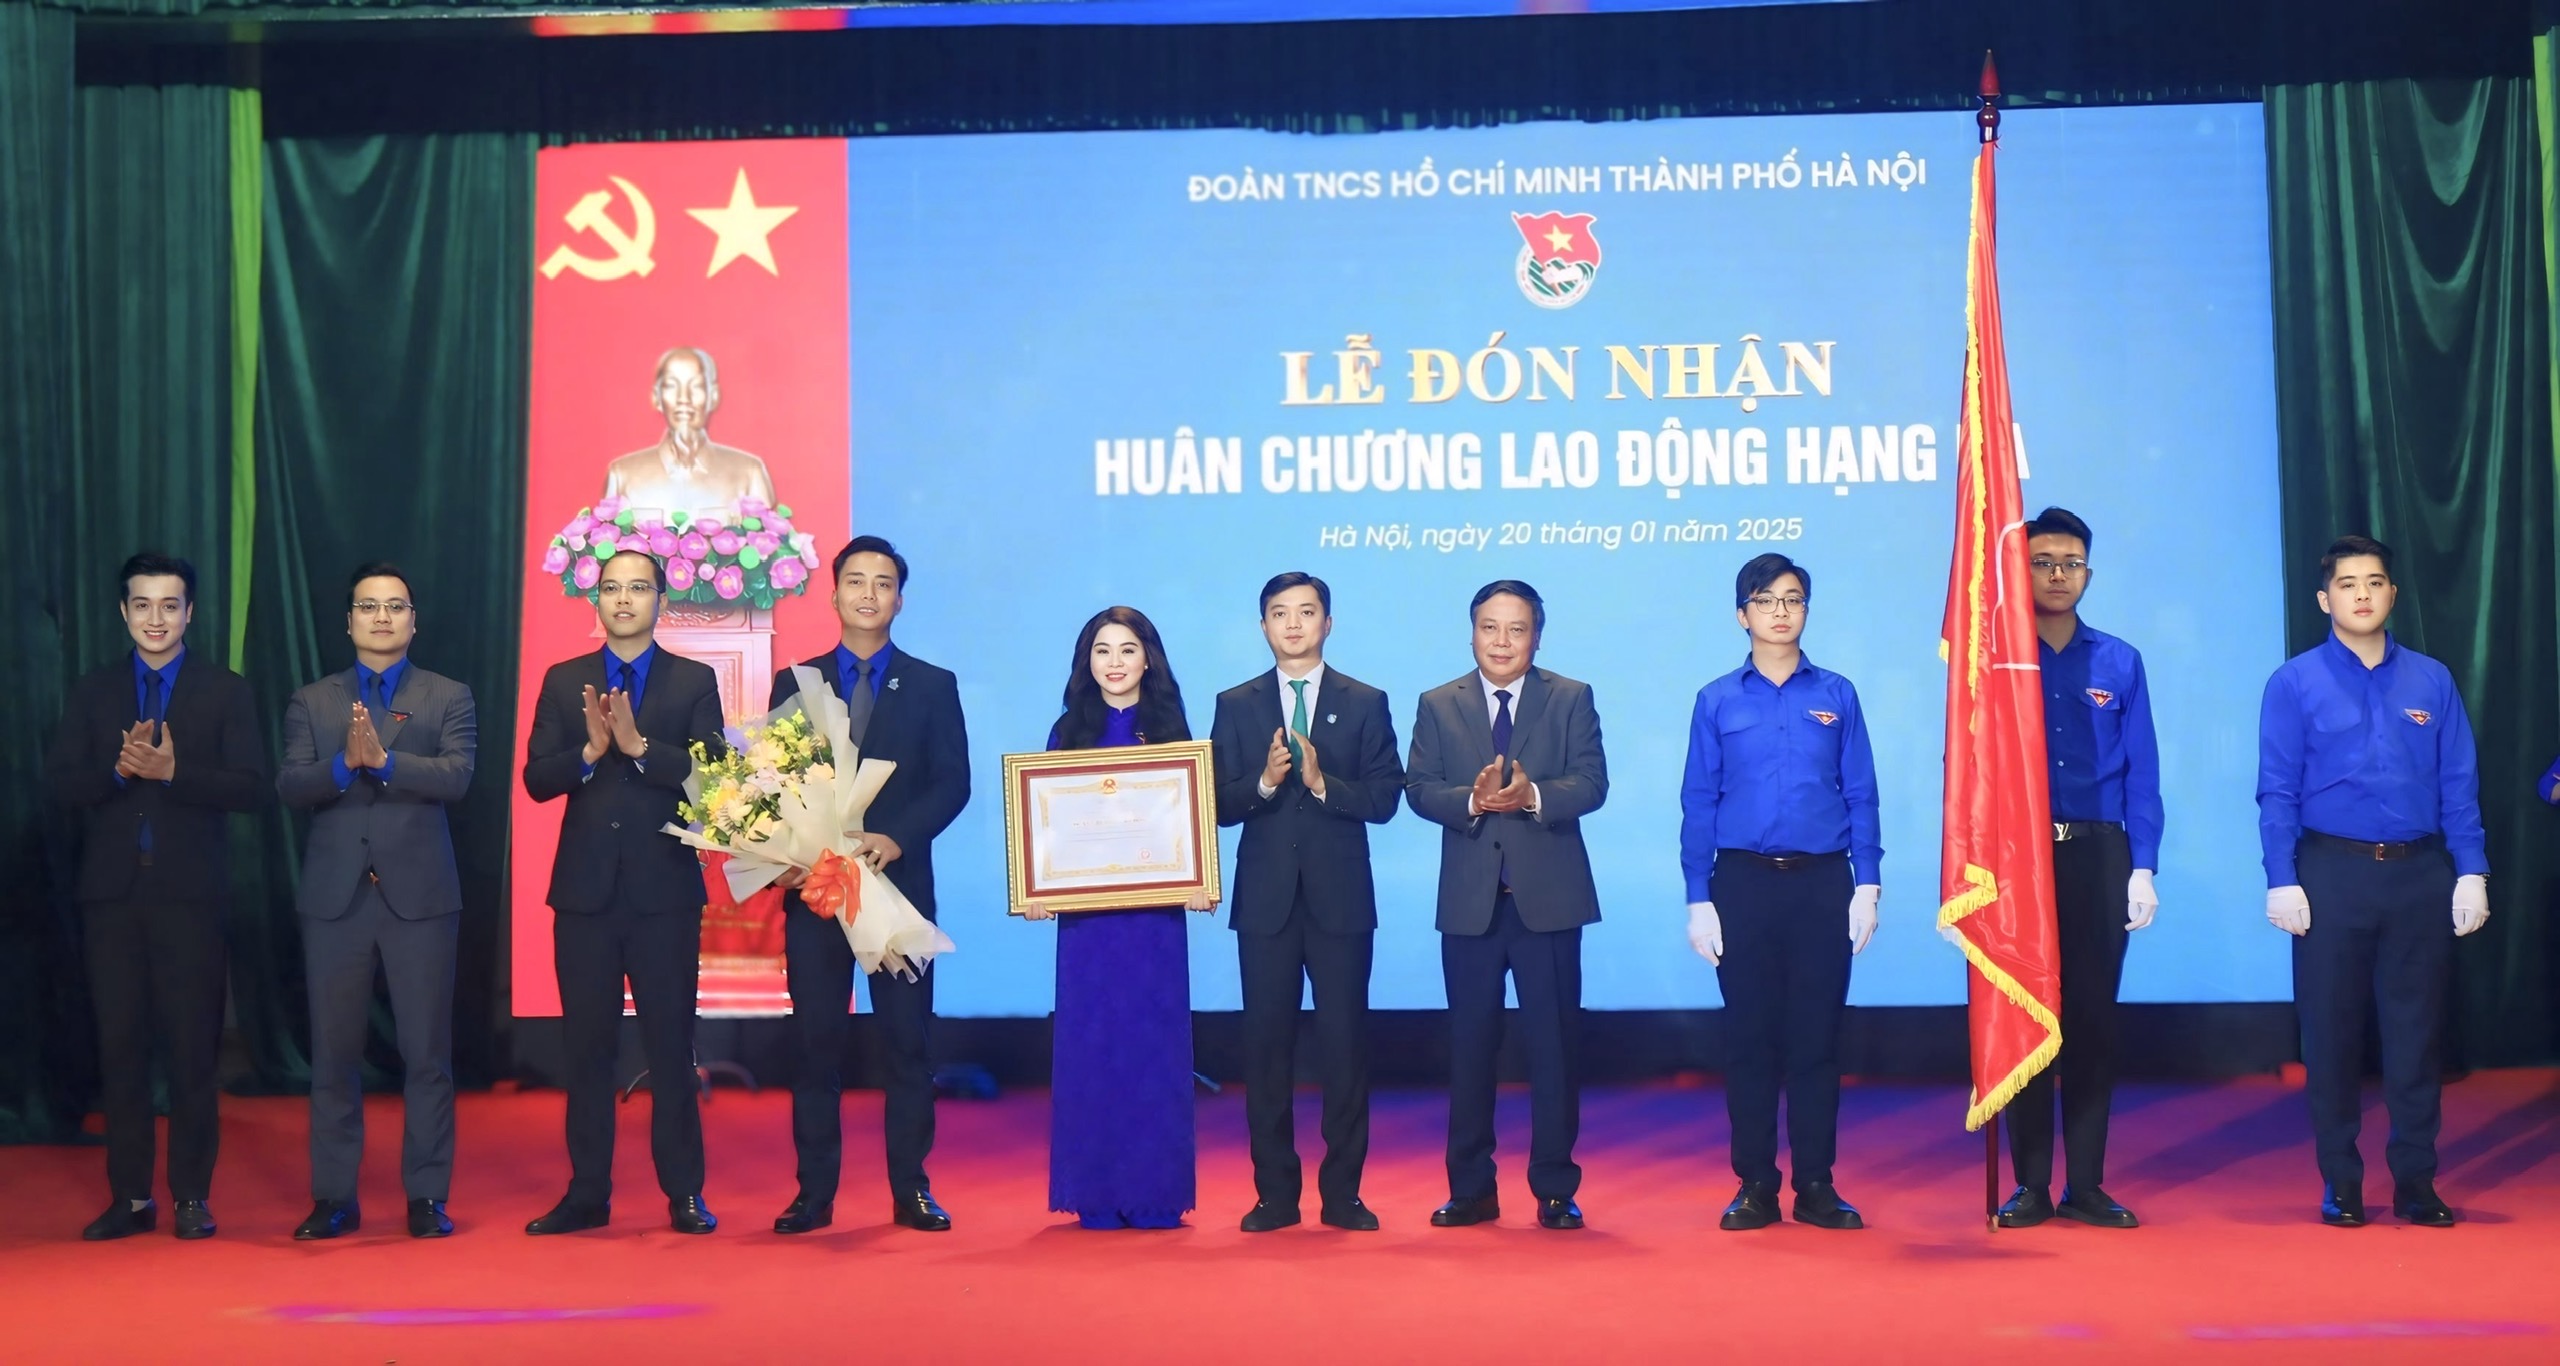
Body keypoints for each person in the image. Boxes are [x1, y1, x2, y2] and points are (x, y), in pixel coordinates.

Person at [2257, 534, 2489, 1228]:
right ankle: (2341, 1181)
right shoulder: (2294, 682)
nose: (2362, 594)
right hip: (2331, 874)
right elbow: (2277, 790)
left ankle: (2416, 1180)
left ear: (2391, 593)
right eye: (2347, 584)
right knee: (2331, 1036)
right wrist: (2281, 878)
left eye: (2375, 582)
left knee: (2416, 1035)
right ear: (2324, 599)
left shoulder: (2432, 680)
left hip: (2419, 875)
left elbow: (2459, 783)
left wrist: (2471, 871)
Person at [46, 552, 269, 1242]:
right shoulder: (93, 692)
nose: (155, 618)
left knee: (193, 1052)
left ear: (189, 613)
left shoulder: (225, 691)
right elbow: (61, 786)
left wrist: (176, 772)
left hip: (191, 900)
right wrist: (117, 772)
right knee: (120, 1051)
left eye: (169, 605)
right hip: (111, 901)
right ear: (123, 612)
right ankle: (132, 1198)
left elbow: (253, 789)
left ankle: (192, 1196)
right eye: (142, 605)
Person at [520, 548, 730, 1235]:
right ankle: (587, 1193)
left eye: (638, 588)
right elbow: (536, 779)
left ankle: (685, 1192)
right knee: (587, 1048)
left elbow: (714, 777)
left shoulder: (693, 680)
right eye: (612, 588)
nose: (623, 599)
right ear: (596, 600)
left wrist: (640, 749)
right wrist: (587, 753)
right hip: (584, 896)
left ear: (660, 600)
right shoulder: (563, 680)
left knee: (671, 1047)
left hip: (664, 894)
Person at [770, 536, 972, 1235]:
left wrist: (897, 836)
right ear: (833, 595)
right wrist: (783, 850)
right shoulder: (795, 683)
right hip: (816, 892)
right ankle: (813, 1194)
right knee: (815, 1043)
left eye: (883, 583)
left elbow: (953, 782)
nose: (868, 593)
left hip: (898, 889)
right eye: (855, 581)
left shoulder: (932, 684)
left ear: (899, 600)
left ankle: (911, 1188)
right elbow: (771, 782)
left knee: (907, 1044)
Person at [1680, 553, 1881, 1233]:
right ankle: (1756, 1184)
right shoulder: (1717, 699)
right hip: (1741, 883)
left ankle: (1817, 1184)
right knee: (1750, 1040)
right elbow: (1699, 799)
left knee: (1817, 1041)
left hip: (1823, 883)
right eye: (1765, 600)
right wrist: (1698, 896)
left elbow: (1861, 792)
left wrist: (1867, 881)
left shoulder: (1838, 694)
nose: (1780, 612)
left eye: (1793, 599)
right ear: (1742, 615)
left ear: (1806, 610)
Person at [277, 562, 477, 1241]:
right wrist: (344, 765)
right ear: (348, 621)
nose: (382, 617)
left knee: (427, 1054)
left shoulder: (448, 695)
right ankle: (334, 1197)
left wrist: (385, 763)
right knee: (333, 1056)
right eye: (368, 606)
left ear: (414, 621)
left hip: (421, 898)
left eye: (395, 606)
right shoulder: (313, 700)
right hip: (335, 900)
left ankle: (427, 1196)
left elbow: (457, 776)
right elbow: (291, 784)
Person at [1407, 580, 1608, 1231]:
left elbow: (1592, 783)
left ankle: (1555, 1188)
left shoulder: (1571, 697)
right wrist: (1471, 800)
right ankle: (1471, 1188)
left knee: (1554, 1049)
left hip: (1548, 902)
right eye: (1489, 627)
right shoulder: (1438, 703)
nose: (1501, 641)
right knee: (1470, 1050)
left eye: (1516, 629)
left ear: (1536, 637)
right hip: (1471, 904)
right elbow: (1419, 788)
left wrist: (1532, 797)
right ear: (1472, 633)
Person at [1209, 572, 1404, 1233]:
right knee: (1265, 1051)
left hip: (1340, 901)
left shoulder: (1366, 701)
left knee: (1345, 1048)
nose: (1293, 624)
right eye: (1279, 613)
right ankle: (1275, 1194)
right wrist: (1265, 782)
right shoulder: (1235, 704)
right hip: (1265, 903)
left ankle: (1343, 1194)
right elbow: (1215, 803)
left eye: (1306, 611)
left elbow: (1385, 798)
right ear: (1263, 625)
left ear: (1328, 622)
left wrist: (1323, 784)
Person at [1019, 607, 1216, 1229]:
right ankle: (1097, 1194)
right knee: (1094, 1047)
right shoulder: (1068, 731)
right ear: (1087, 661)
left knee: (1152, 1049)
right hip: (1088, 927)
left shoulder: (1171, 730)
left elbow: (1189, 820)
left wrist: (1199, 878)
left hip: (1154, 925)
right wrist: (1037, 883)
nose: (1115, 662)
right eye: (1102, 650)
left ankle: (1155, 1193)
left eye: (1128, 649)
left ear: (1148, 658)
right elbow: (1047, 822)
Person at [1990, 508, 2158, 1230]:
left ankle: (2085, 1183)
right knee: (2028, 1018)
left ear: (2088, 572)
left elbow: (2142, 773)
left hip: (2098, 854)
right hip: (2018, 860)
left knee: (2091, 1021)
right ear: (2018, 569)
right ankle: (2029, 1184)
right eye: (2042, 562)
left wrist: (2142, 867)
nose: (2058, 575)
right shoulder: (1996, 660)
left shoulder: (2119, 660)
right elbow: (1970, 771)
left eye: (2071, 563)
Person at [600, 347, 778, 519]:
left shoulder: (749, 472)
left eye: (696, 386)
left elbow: (768, 536)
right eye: (671, 386)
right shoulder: (622, 474)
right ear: (657, 397)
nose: (684, 398)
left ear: (713, 396)